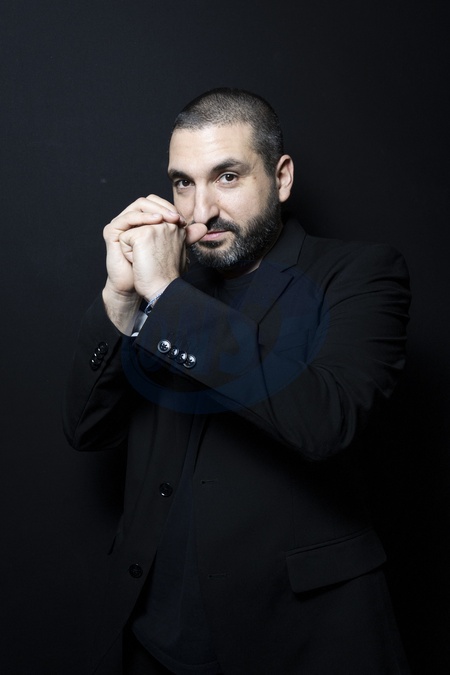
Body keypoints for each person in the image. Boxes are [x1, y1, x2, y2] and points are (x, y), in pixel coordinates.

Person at [63, 88, 411, 675]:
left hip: (297, 638)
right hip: (152, 636)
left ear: (281, 177)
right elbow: (86, 431)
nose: (200, 211)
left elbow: (327, 420)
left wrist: (166, 296)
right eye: (183, 183)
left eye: (227, 177)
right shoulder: (164, 290)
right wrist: (119, 302)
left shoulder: (358, 273)